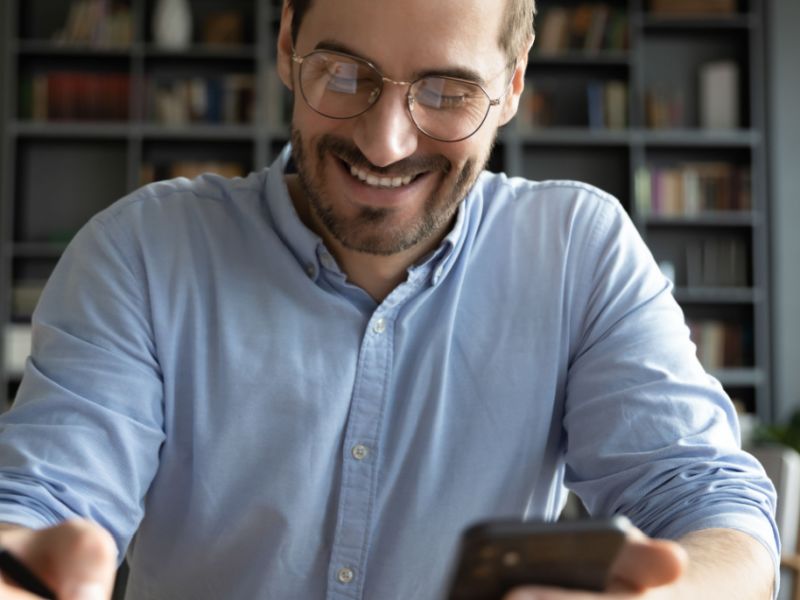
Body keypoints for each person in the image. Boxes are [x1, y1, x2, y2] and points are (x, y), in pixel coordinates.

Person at [0, 0, 779, 598]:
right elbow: (41, 502)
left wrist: (665, 590)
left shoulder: (578, 248)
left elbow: (714, 503)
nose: (385, 143)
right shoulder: (141, 251)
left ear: (510, 86)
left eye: (447, 92)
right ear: (285, 45)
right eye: (344, 74)